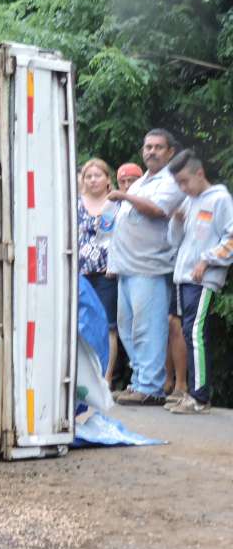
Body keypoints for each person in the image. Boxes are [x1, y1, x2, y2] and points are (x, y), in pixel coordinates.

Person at [106, 129, 185, 405]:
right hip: (127, 268)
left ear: (170, 152)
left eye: (158, 147)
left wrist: (125, 196)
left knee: (148, 329)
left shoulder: (171, 180)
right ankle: (139, 381)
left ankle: (151, 387)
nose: (151, 151)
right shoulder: (141, 182)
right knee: (128, 329)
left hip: (150, 267)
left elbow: (158, 210)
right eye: (148, 146)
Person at [164, 150, 233, 414]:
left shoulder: (220, 199)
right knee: (187, 332)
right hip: (182, 277)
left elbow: (231, 238)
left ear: (200, 173)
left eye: (184, 181)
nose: (182, 188)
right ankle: (192, 394)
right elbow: (175, 241)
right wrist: (176, 221)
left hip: (203, 279)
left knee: (195, 333)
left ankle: (200, 398)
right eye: (178, 183)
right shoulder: (189, 201)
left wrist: (206, 260)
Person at [76, 158, 119, 383]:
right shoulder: (75, 204)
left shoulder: (115, 204)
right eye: (88, 176)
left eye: (97, 175)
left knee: (108, 326)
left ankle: (106, 379)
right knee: (81, 324)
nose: (93, 180)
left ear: (107, 179)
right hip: (80, 273)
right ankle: (83, 377)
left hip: (106, 273)